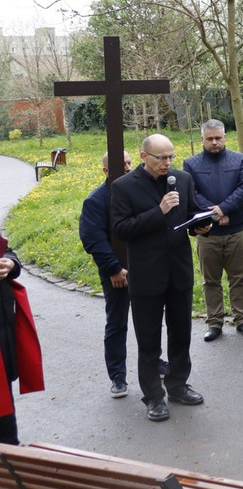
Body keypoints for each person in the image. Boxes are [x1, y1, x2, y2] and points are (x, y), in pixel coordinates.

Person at [110, 134, 210, 422]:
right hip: (146, 274)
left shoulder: (182, 179)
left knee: (181, 333)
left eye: (170, 157)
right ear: (144, 157)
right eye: (161, 158)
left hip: (179, 270)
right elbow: (122, 229)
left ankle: (178, 384)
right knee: (149, 339)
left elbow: (190, 214)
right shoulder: (124, 186)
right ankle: (153, 395)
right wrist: (159, 211)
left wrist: (200, 226)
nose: (167, 163)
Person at [184, 120, 243, 342]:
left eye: (218, 138)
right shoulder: (191, 164)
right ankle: (214, 322)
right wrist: (215, 213)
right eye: (209, 139)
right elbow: (192, 192)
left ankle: (242, 318)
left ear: (225, 137)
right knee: (210, 279)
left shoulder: (239, 159)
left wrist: (225, 208)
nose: (214, 142)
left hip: (235, 229)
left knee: (238, 277)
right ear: (202, 139)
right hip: (208, 233)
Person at [79, 150, 137, 398]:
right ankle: (118, 377)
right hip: (116, 270)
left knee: (149, 319)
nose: (127, 167)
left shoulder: (137, 191)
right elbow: (93, 239)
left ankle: (155, 362)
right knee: (117, 323)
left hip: (144, 266)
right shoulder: (96, 200)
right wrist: (114, 269)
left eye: (129, 162)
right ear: (105, 171)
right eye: (121, 164)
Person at [0, 245, 43, 444]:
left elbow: (5, 250)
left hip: (3, 336)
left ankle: (11, 452)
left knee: (5, 406)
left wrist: (10, 263)